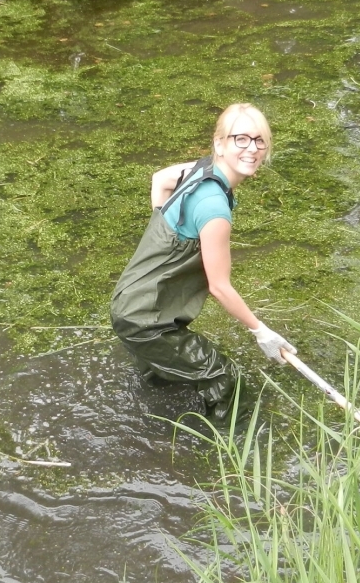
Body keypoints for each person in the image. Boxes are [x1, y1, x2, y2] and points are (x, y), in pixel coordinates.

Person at [110, 103, 293, 420]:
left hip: (130, 303)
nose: (252, 149)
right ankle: (226, 453)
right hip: (147, 320)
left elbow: (159, 180)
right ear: (220, 143)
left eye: (259, 140)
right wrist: (262, 332)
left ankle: (147, 427)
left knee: (163, 378)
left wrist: (167, 227)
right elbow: (220, 287)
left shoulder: (198, 169)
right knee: (225, 379)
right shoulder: (214, 209)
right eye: (241, 139)